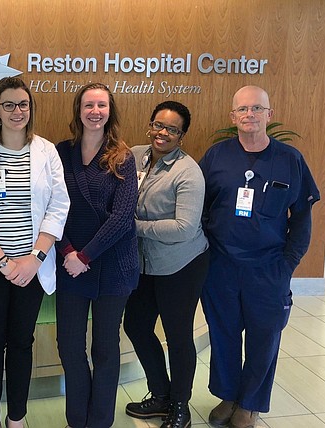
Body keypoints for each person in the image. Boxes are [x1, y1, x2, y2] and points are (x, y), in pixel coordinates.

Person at [199, 86, 320, 428]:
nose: (249, 115)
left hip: (269, 269)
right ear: (232, 117)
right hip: (221, 267)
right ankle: (228, 395)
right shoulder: (216, 156)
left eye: (257, 108)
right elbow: (199, 208)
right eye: (243, 109)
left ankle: (250, 404)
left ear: (269, 114)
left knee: (263, 337)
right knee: (222, 335)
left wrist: (287, 265)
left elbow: (301, 219)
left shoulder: (290, 159)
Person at [0, 77, 69, 428]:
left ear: (30, 109)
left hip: (31, 267)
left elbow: (59, 205)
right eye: (9, 104)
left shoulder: (46, 151)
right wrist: (3, 261)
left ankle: (16, 417)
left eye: (23, 104)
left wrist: (33, 259)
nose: (17, 111)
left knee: (22, 342)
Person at [54, 82, 139, 428]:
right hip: (70, 263)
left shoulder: (123, 157)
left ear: (110, 111)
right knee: (69, 346)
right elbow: (51, 208)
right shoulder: (60, 153)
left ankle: (99, 421)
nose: (95, 111)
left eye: (101, 105)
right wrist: (68, 251)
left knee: (105, 349)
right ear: (78, 110)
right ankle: (78, 419)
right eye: (88, 105)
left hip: (112, 265)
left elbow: (122, 217)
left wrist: (84, 256)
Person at [123, 101, 209, 428]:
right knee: (136, 326)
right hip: (144, 263)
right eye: (158, 124)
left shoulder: (188, 172)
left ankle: (180, 406)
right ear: (150, 124)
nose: (162, 133)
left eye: (172, 129)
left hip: (181, 265)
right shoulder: (134, 155)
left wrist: (134, 226)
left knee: (177, 335)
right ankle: (159, 394)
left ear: (181, 136)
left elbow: (184, 227)